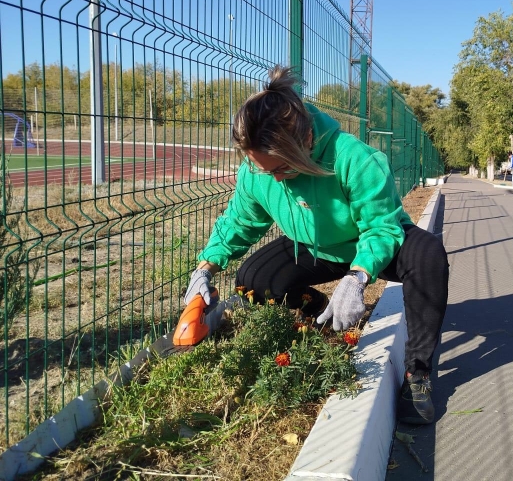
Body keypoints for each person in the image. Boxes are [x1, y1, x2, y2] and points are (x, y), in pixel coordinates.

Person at [183, 65, 449, 424]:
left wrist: (358, 277)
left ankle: (417, 373)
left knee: (429, 256)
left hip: (367, 244)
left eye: (281, 169)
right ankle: (319, 311)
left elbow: (381, 228)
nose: (273, 178)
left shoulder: (353, 158)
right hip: (314, 247)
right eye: (263, 170)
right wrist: (205, 268)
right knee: (252, 280)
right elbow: (241, 221)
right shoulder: (257, 170)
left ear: (305, 144)